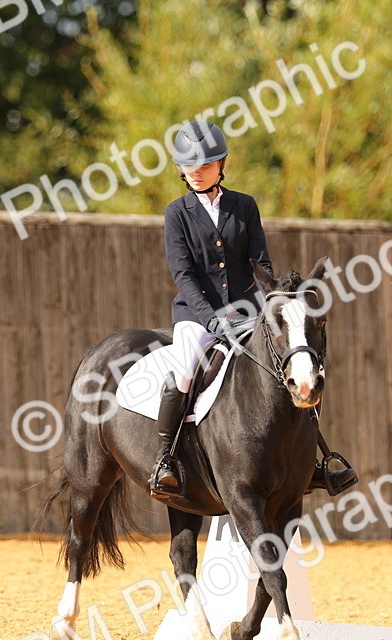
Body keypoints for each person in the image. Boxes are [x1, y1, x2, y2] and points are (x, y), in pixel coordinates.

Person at [149, 119, 357, 500]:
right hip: (197, 317)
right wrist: (209, 315)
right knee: (182, 372)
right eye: (189, 166)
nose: (196, 172)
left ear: (222, 163)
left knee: (295, 364)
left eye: (205, 165)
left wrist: (273, 302)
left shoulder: (244, 206)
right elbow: (183, 273)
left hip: (249, 311)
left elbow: (260, 262)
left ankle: (311, 462)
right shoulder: (176, 213)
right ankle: (166, 461)